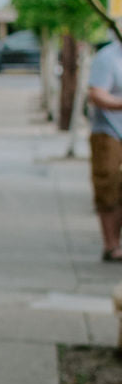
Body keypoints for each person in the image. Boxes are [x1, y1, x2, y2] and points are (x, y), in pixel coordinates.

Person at [87, 34, 122, 261]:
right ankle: (111, 245)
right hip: (109, 133)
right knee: (108, 188)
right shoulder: (108, 57)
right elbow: (96, 94)